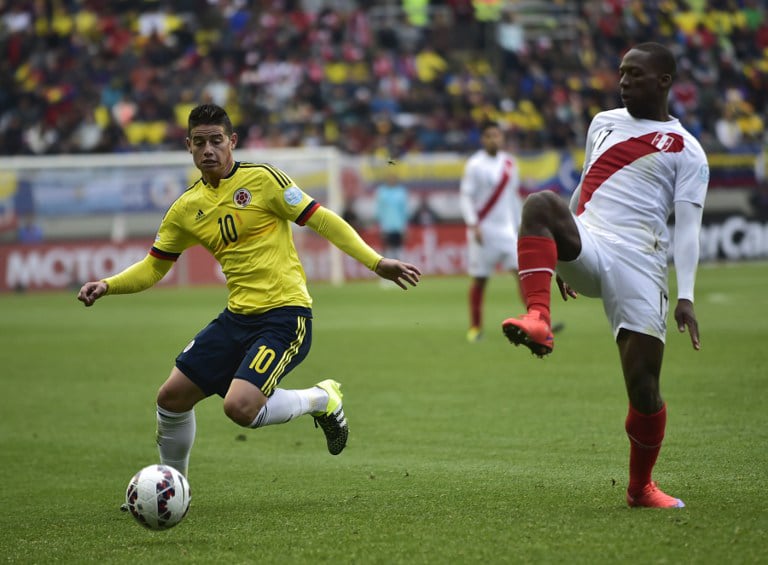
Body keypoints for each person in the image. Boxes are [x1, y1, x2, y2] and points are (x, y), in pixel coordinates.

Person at [77, 104, 421, 483]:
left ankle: (324, 399)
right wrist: (108, 284)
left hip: (285, 316)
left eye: (216, 141)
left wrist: (375, 262)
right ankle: (173, 487)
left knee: (239, 407)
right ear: (188, 146)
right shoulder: (185, 209)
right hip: (236, 318)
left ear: (232, 142)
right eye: (200, 142)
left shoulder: (263, 181)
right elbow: (154, 266)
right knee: (170, 399)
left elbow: (321, 219)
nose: (209, 149)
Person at [501, 43, 708, 508]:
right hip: (592, 241)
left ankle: (640, 488)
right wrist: (561, 249)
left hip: (642, 266)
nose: (623, 81)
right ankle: (538, 316)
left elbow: (688, 230)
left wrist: (687, 295)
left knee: (644, 388)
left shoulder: (687, 150)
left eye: (635, 73)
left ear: (664, 81)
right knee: (540, 204)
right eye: (621, 72)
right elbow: (586, 185)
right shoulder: (602, 123)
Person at [460, 120, 524, 343]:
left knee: (522, 276)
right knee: (480, 280)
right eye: (488, 136)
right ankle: (475, 328)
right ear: (482, 139)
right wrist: (473, 223)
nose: (493, 139)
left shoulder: (509, 163)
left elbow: (513, 197)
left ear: (502, 138)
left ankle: (537, 321)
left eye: (496, 135)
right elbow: (466, 196)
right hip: (483, 231)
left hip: (507, 231)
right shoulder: (474, 164)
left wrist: (520, 226)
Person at [375, 170, 410, 261]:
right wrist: (380, 227)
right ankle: (386, 271)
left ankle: (400, 270)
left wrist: (405, 228)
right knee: (387, 249)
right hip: (386, 227)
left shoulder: (401, 192)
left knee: (399, 249)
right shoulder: (382, 192)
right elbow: (379, 211)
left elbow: (404, 211)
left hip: (398, 227)